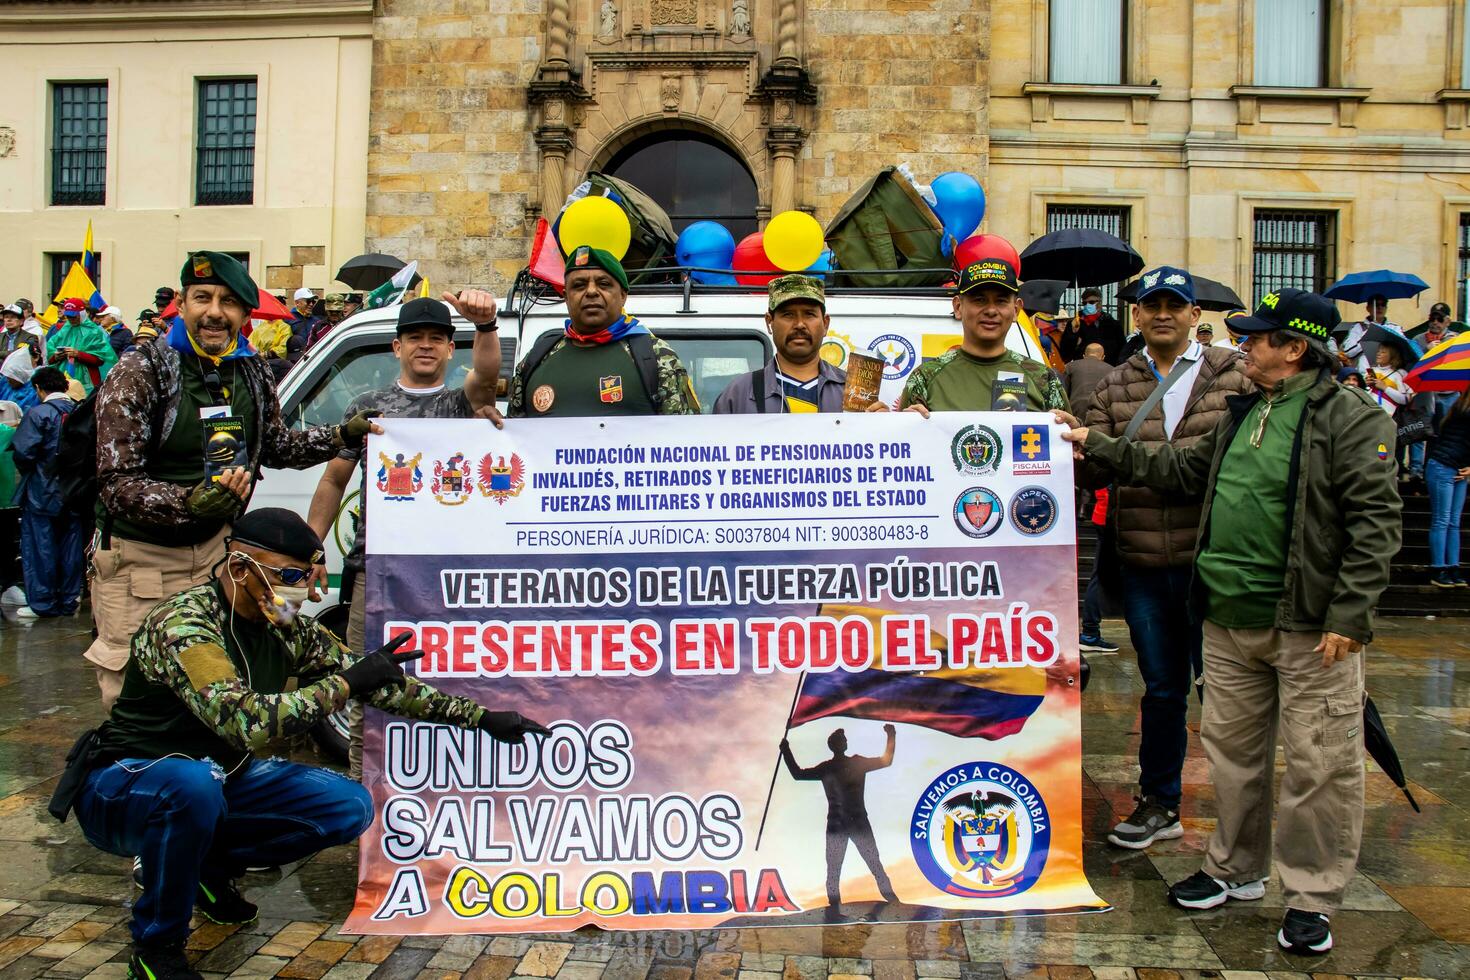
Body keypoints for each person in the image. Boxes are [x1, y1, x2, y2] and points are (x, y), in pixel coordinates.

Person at [59, 508, 550, 980]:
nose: (302, 592)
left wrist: (483, 718)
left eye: (305, 578)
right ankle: (156, 947)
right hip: (126, 786)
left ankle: (208, 866)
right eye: (289, 577)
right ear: (238, 566)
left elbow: (376, 683)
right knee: (191, 785)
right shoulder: (185, 625)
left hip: (217, 780)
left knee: (347, 805)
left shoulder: (283, 628)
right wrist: (348, 683)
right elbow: (247, 723)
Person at [1060, 287, 1400, 957]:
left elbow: (1375, 523)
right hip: (1227, 617)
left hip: (1309, 626)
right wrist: (1093, 443)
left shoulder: (1350, 418)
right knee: (1234, 758)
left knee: (1318, 765)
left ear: (1295, 349)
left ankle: (1309, 895)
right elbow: (1178, 469)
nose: (1245, 345)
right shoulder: (1246, 410)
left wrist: (1351, 616)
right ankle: (1233, 868)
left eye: (1259, 337)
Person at [88, 251, 380, 709]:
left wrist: (342, 434)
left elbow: (279, 447)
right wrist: (189, 501)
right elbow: (116, 481)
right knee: (141, 694)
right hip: (142, 559)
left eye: (228, 302)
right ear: (182, 304)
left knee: (223, 690)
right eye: (201, 298)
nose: (213, 312)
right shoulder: (140, 371)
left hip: (218, 555)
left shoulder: (251, 370)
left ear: (245, 314)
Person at [1077, 267, 1253, 849]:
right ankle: (1159, 802)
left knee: (1229, 695)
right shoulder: (1114, 383)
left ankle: (1241, 822)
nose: (1162, 315)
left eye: (1174, 306)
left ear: (1194, 315)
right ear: (1136, 316)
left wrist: (1111, 451)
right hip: (1146, 561)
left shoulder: (1233, 376)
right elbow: (1092, 467)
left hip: (1217, 562)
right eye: (1150, 305)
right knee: (1162, 690)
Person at [307, 291, 503, 778]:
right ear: (396, 347)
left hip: (446, 576)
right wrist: (310, 546)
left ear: (450, 350)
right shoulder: (368, 406)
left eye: (437, 338)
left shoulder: (462, 404)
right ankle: (362, 803)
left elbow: (486, 380)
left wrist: (485, 327)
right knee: (365, 688)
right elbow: (333, 480)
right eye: (414, 337)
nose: (425, 346)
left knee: (453, 685)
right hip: (375, 574)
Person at [507, 245, 700, 417]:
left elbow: (683, 441)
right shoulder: (537, 359)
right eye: (579, 285)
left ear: (623, 295)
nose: (591, 291)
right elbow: (513, 444)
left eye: (604, 284)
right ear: (566, 297)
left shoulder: (656, 356)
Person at [879, 258, 1066, 415]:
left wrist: (1073, 437)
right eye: (979, 300)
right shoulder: (925, 377)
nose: (991, 310)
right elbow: (910, 452)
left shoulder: (1043, 379)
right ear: (958, 307)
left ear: (1016, 309)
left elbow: (1068, 447)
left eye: (1001, 301)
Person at [780, 725, 899, 914]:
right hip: (846, 823)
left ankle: (890, 899)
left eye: (843, 740)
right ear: (839, 745)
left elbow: (886, 761)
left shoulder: (836, 766)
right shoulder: (842, 765)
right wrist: (786, 751)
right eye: (841, 740)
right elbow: (798, 774)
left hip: (848, 822)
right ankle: (836, 907)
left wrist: (786, 750)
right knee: (841, 868)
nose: (844, 742)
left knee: (865, 864)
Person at [10, 367, 83, 621]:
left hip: (42, 489)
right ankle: (69, 598)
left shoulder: (38, 413)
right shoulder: (80, 412)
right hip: (75, 490)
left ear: (39, 389)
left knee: (41, 546)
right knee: (71, 545)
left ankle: (43, 602)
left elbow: (24, 452)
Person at [714, 274, 845, 413]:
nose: (800, 324)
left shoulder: (854, 391)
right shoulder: (738, 394)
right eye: (788, 314)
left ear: (825, 324)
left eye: (809, 314)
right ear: (769, 322)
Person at [1427, 388, 1470, 588]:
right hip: (1443, 465)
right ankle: (1439, 568)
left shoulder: (1458, 406)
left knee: (1453, 521)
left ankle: (1452, 567)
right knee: (1443, 520)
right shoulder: (1465, 411)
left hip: (1457, 467)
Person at [48, 299, 118, 393]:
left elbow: (101, 359)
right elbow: (49, 355)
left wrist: (79, 354)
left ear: (82, 314)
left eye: (74, 316)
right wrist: (56, 356)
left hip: (88, 380)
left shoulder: (93, 331)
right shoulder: (64, 330)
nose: (71, 319)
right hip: (63, 379)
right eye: (68, 317)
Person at [1061, 287, 1125, 364]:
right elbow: (1065, 352)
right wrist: (1073, 333)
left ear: (1100, 303)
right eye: (1085, 303)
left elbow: (1122, 350)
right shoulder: (1075, 323)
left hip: (1108, 368)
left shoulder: (1113, 324)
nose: (1087, 305)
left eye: (1091, 302)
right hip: (1083, 367)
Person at [1062, 342, 1111, 419]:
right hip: (1101, 413)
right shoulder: (1112, 370)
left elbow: (1063, 393)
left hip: (1075, 411)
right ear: (1103, 357)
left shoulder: (1070, 366)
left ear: (1084, 356)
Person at [1365, 345, 1410, 418]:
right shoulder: (1371, 370)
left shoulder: (1400, 373)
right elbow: (1362, 392)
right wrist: (1365, 384)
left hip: (1388, 418)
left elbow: (1405, 399)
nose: (1378, 354)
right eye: (1378, 351)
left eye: (1383, 352)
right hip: (1368, 414)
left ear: (1392, 356)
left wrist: (1385, 388)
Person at [2, 348, 39, 414]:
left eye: (11, 377)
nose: (8, 379)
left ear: (20, 375)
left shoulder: (34, 390)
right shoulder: (4, 383)